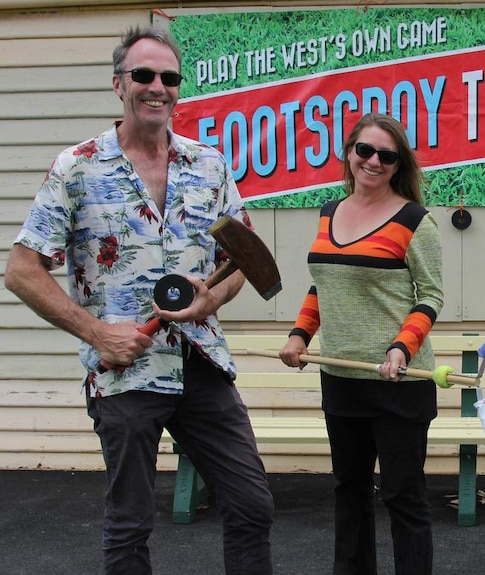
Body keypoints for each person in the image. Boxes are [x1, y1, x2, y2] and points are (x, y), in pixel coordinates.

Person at [4, 27, 274, 575]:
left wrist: (209, 301)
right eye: (144, 75)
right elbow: (22, 271)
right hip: (124, 369)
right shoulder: (76, 167)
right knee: (130, 524)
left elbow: (245, 261)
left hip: (200, 359)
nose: (158, 87)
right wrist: (97, 334)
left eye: (169, 78)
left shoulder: (210, 165)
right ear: (118, 84)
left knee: (252, 505)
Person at [279, 112, 444, 575]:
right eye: (365, 151)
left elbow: (429, 297)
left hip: (399, 382)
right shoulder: (329, 212)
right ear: (349, 152)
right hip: (342, 380)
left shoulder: (415, 220)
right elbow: (322, 286)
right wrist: (299, 334)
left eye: (386, 156)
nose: (373, 162)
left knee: (403, 496)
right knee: (349, 490)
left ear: (398, 165)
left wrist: (401, 349)